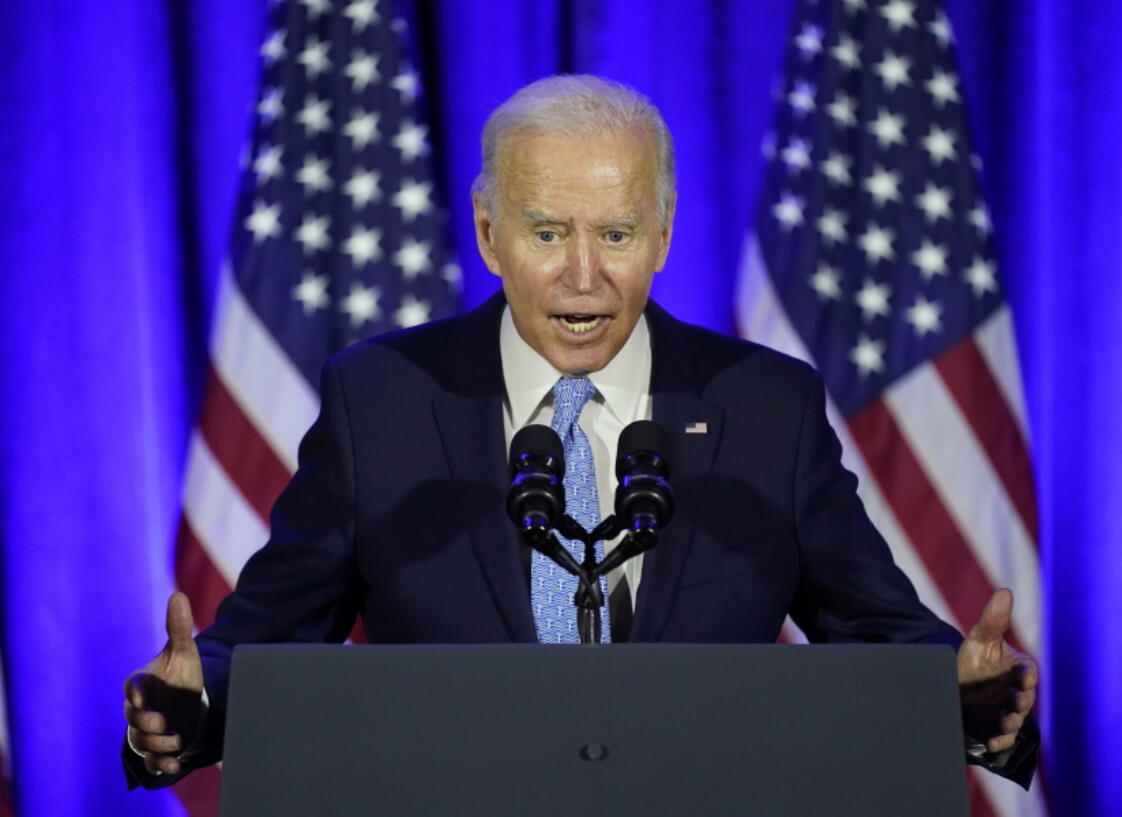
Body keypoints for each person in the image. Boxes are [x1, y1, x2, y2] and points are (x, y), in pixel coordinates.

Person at [123, 75, 1038, 789]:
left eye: (619, 232)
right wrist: (195, 695)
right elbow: (270, 638)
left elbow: (878, 629)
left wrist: (960, 691)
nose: (585, 275)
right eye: (549, 231)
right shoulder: (383, 402)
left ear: (666, 233)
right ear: (489, 234)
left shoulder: (767, 406)